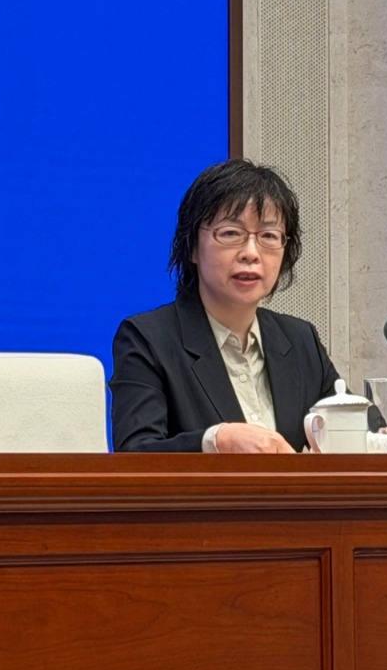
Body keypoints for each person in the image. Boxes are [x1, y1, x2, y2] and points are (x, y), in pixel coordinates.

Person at [110, 159, 342, 453]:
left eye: (269, 236)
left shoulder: (300, 340)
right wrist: (217, 440)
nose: (251, 253)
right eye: (231, 233)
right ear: (192, 247)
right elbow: (136, 453)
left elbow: (359, 427)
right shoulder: (148, 339)